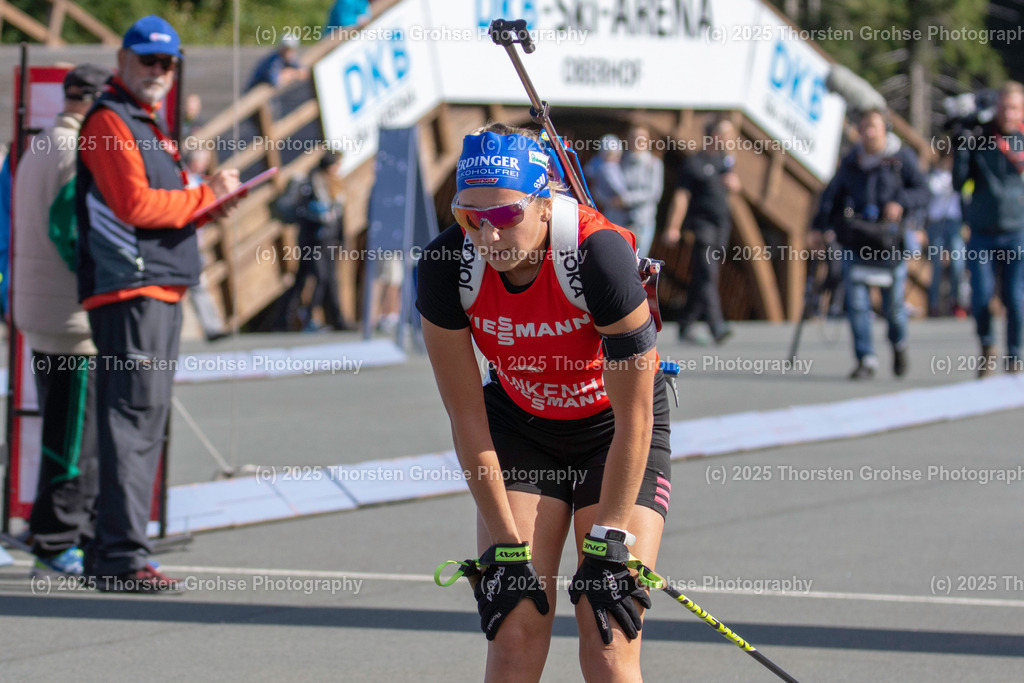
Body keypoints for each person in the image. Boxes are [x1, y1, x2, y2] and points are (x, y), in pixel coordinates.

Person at [417, 123, 671, 681]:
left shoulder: (597, 256)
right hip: (521, 426)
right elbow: (466, 417)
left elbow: (636, 417)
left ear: (544, 200)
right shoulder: (445, 267)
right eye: (469, 217)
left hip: (613, 432)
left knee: (606, 630)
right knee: (514, 624)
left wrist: (608, 542)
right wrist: (506, 549)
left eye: (506, 216)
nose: (487, 236)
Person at [76, 15, 241, 593]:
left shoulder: (139, 120)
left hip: (148, 286)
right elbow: (137, 206)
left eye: (166, 63)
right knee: (134, 422)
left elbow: (152, 205)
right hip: (132, 288)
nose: (158, 71)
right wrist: (203, 195)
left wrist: (204, 204)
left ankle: (109, 548)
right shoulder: (110, 119)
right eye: (148, 60)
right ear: (122, 59)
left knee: (133, 421)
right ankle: (120, 554)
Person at [12, 64, 111, 578]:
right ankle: (55, 540)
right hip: (71, 316)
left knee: (61, 429)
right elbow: (71, 232)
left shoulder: (41, 145)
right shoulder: (74, 150)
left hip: (42, 307)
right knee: (75, 438)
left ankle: (52, 533)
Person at [811, 107, 928, 379]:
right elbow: (831, 198)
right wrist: (819, 227)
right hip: (857, 240)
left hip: (890, 242)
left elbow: (924, 192)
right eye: (864, 127)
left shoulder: (901, 159)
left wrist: (901, 202)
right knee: (858, 304)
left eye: (874, 126)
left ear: (885, 128)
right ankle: (866, 358)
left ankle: (899, 343)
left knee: (894, 308)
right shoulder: (851, 162)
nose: (869, 132)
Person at [953, 81, 1024, 376]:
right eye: (1004, 106)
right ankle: (986, 347)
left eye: (1014, 107)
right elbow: (959, 183)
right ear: (996, 107)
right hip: (982, 230)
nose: (1008, 112)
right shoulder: (980, 137)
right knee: (981, 296)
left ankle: (1015, 356)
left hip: (1017, 230)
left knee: (1015, 297)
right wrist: (961, 146)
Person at [662, 117, 739, 345]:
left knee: (701, 277)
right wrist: (673, 227)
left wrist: (735, 186)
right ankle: (717, 326)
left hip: (721, 227)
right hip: (701, 226)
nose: (729, 139)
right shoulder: (694, 163)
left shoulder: (726, 162)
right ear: (713, 136)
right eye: (725, 134)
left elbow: (734, 188)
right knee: (707, 274)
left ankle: (685, 323)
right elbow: (681, 196)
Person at [277, 152, 351, 332]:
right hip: (313, 241)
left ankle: (336, 319)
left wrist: (341, 239)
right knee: (319, 278)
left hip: (329, 240)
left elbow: (339, 216)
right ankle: (305, 317)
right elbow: (300, 211)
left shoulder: (335, 183)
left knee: (326, 280)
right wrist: (320, 216)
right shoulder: (311, 182)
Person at [925, 150, 967, 318]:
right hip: (936, 223)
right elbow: (934, 190)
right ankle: (934, 304)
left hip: (955, 222)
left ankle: (954, 301)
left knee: (958, 264)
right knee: (936, 265)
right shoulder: (933, 175)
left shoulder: (960, 175)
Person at [619, 125, 664, 258]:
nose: (638, 141)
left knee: (638, 263)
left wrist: (625, 199)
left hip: (642, 222)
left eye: (642, 138)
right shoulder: (618, 161)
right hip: (617, 220)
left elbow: (654, 193)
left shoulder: (654, 164)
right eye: (634, 137)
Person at [583, 134, 629, 227]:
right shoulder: (606, 167)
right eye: (610, 154)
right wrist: (624, 197)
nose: (614, 158)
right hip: (603, 205)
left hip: (609, 208)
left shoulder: (614, 167)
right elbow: (618, 188)